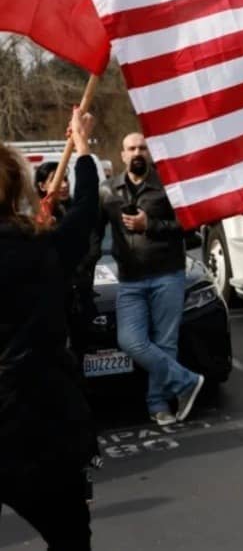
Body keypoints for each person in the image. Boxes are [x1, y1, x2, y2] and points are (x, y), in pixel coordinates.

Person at [0, 108, 100, 549]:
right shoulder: (44, 250)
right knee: (70, 537)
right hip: (41, 427)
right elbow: (85, 212)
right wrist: (81, 149)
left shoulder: (42, 245)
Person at [100, 133, 203, 427]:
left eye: (142, 148)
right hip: (130, 280)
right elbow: (95, 234)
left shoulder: (168, 186)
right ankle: (186, 382)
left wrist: (151, 225)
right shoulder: (108, 190)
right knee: (130, 341)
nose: (137, 152)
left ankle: (158, 405)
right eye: (131, 148)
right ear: (122, 155)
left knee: (165, 342)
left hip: (167, 274)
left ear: (150, 153)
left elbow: (188, 226)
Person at [36, 160, 104, 363]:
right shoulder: (37, 217)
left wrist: (77, 269)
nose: (64, 184)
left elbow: (93, 245)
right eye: (56, 180)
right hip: (54, 301)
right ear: (42, 187)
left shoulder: (79, 210)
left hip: (81, 296)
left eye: (66, 178)